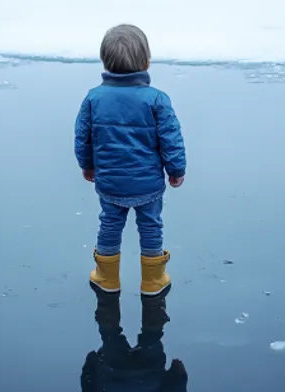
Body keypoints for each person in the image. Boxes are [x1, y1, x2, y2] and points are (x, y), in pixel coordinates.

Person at [74, 24, 187, 296]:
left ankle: (107, 278)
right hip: (148, 184)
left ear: (105, 60)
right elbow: (171, 139)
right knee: (151, 226)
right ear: (146, 61)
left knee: (110, 224)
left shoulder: (94, 98)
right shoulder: (157, 99)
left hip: (110, 181)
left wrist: (87, 165)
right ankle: (152, 280)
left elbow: (83, 137)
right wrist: (176, 169)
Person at [80, 282, 188, 391]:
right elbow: (88, 383)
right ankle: (107, 292)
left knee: (152, 336)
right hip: (113, 370)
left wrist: (178, 371)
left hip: (148, 372)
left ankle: (154, 297)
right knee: (109, 333)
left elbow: (178, 382)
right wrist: (91, 362)